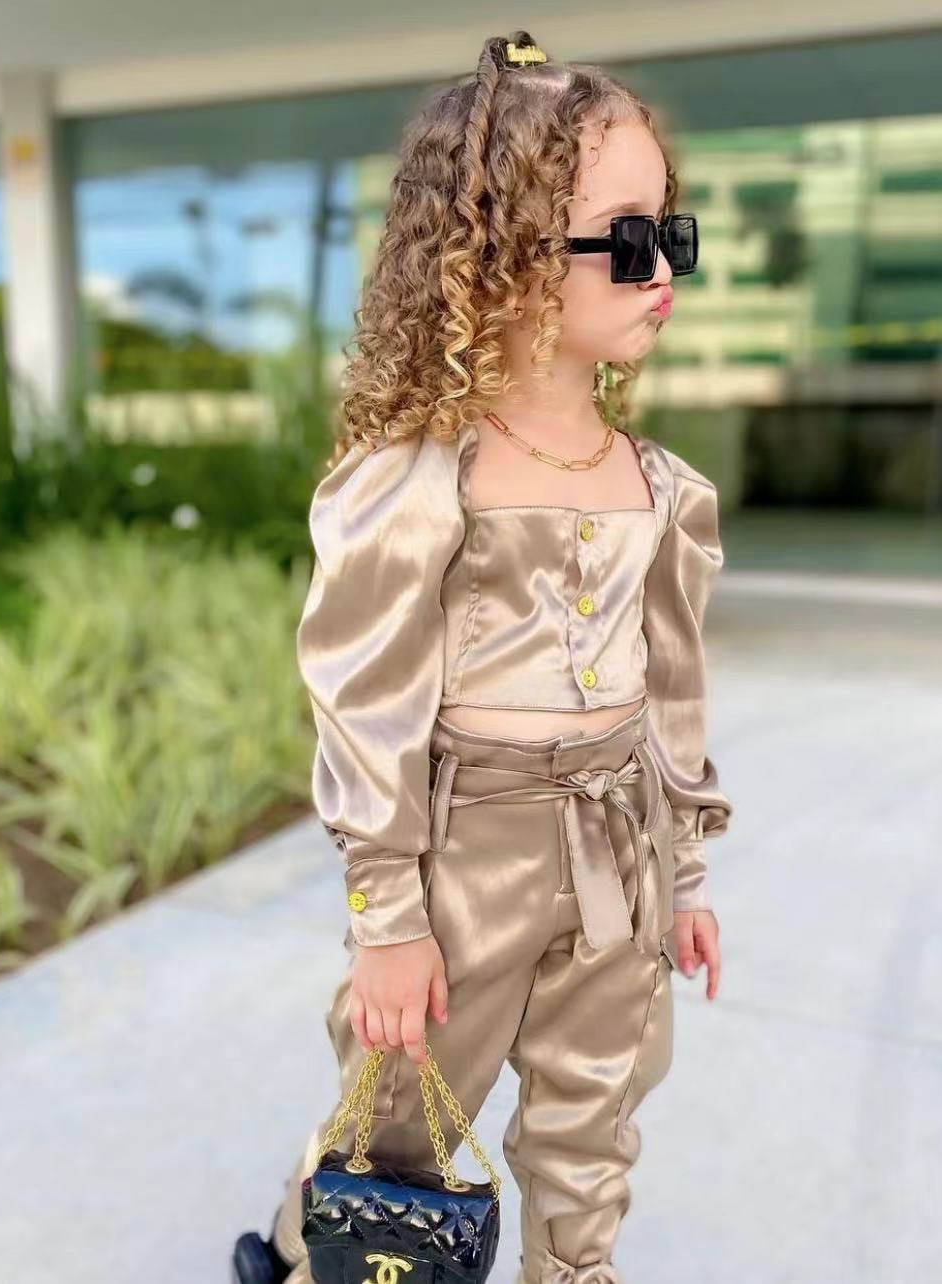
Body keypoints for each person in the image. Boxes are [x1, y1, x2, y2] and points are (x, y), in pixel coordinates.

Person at [233, 30, 733, 1284]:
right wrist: (386, 918)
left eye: (672, 233)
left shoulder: (661, 489)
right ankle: (305, 1249)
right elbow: (365, 702)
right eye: (628, 239)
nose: (663, 269)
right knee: (401, 1116)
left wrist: (681, 872)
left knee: (594, 1119)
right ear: (506, 260)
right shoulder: (417, 485)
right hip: (465, 858)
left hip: (616, 846)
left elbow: (672, 690)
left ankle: (575, 1270)